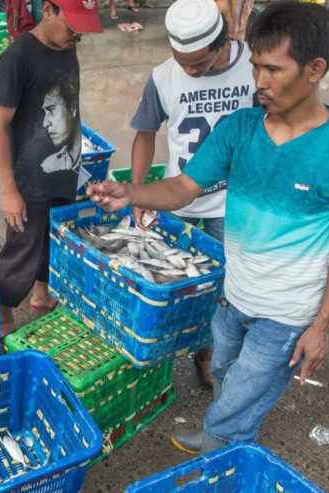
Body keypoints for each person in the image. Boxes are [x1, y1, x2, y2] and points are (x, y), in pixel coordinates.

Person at [88, 1, 329, 454]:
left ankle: (221, 453)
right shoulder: (240, 128)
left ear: (314, 68)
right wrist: (133, 193)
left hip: (286, 315)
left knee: (242, 398)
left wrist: (322, 325)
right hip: (234, 296)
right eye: (256, 69)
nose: (259, 83)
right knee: (225, 374)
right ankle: (223, 436)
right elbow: (185, 187)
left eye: (273, 70)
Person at [130, 0, 256, 389]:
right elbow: (145, 134)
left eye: (198, 64)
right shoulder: (164, 77)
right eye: (181, 60)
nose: (189, 71)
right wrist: (138, 194)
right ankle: (167, 351)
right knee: (169, 282)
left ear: (222, 43)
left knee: (225, 287)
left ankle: (209, 353)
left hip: (232, 202)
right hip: (178, 197)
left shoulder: (256, 68)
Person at [0, 0, 102, 337]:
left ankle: (41, 294)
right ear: (49, 10)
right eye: (72, 25)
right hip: (30, 177)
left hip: (65, 167)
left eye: (83, 27)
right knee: (21, 250)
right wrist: (9, 190)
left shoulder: (67, 45)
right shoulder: (17, 59)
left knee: (54, 239)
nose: (77, 34)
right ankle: (3, 312)